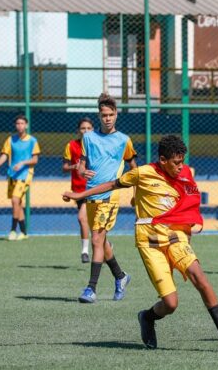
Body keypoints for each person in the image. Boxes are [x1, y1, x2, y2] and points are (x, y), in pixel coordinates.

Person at [63, 135, 218, 353]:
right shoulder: (143, 172)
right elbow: (112, 184)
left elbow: (189, 204)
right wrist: (79, 194)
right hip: (149, 241)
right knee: (171, 304)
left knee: (200, 278)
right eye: (176, 163)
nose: (180, 167)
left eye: (182, 161)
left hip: (176, 236)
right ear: (163, 160)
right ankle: (147, 317)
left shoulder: (184, 173)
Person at [76, 93, 137, 303]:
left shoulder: (124, 140)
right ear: (99, 116)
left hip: (110, 196)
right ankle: (120, 277)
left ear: (116, 115)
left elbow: (133, 167)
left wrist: (136, 193)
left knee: (95, 240)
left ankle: (90, 289)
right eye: (104, 115)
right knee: (101, 241)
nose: (108, 118)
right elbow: (81, 164)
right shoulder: (88, 138)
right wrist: (82, 171)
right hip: (92, 194)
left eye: (111, 115)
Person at [0, 114, 40, 241]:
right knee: (17, 204)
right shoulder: (10, 139)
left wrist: (23, 163)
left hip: (25, 175)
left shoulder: (32, 141)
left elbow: (35, 160)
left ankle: (13, 230)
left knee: (14, 200)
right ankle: (23, 232)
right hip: (12, 175)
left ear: (26, 125)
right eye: (18, 123)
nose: (20, 126)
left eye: (22, 123)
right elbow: (5, 155)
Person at [63, 117, 94, 263]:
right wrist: (73, 167)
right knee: (86, 221)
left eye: (88, 128)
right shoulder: (71, 146)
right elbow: (64, 167)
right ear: (78, 130)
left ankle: (85, 251)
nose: (86, 131)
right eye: (83, 128)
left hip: (95, 188)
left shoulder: (97, 145)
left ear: (93, 130)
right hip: (78, 190)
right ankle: (103, 245)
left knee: (84, 219)